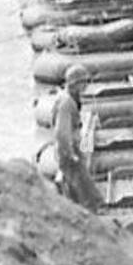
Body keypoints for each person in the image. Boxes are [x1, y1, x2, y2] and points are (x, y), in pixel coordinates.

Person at [51, 64, 102, 211]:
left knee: (79, 190)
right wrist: (71, 154)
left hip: (71, 150)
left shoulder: (66, 99)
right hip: (69, 153)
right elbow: (62, 132)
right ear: (76, 84)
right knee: (87, 193)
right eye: (83, 83)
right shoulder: (66, 104)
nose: (85, 87)